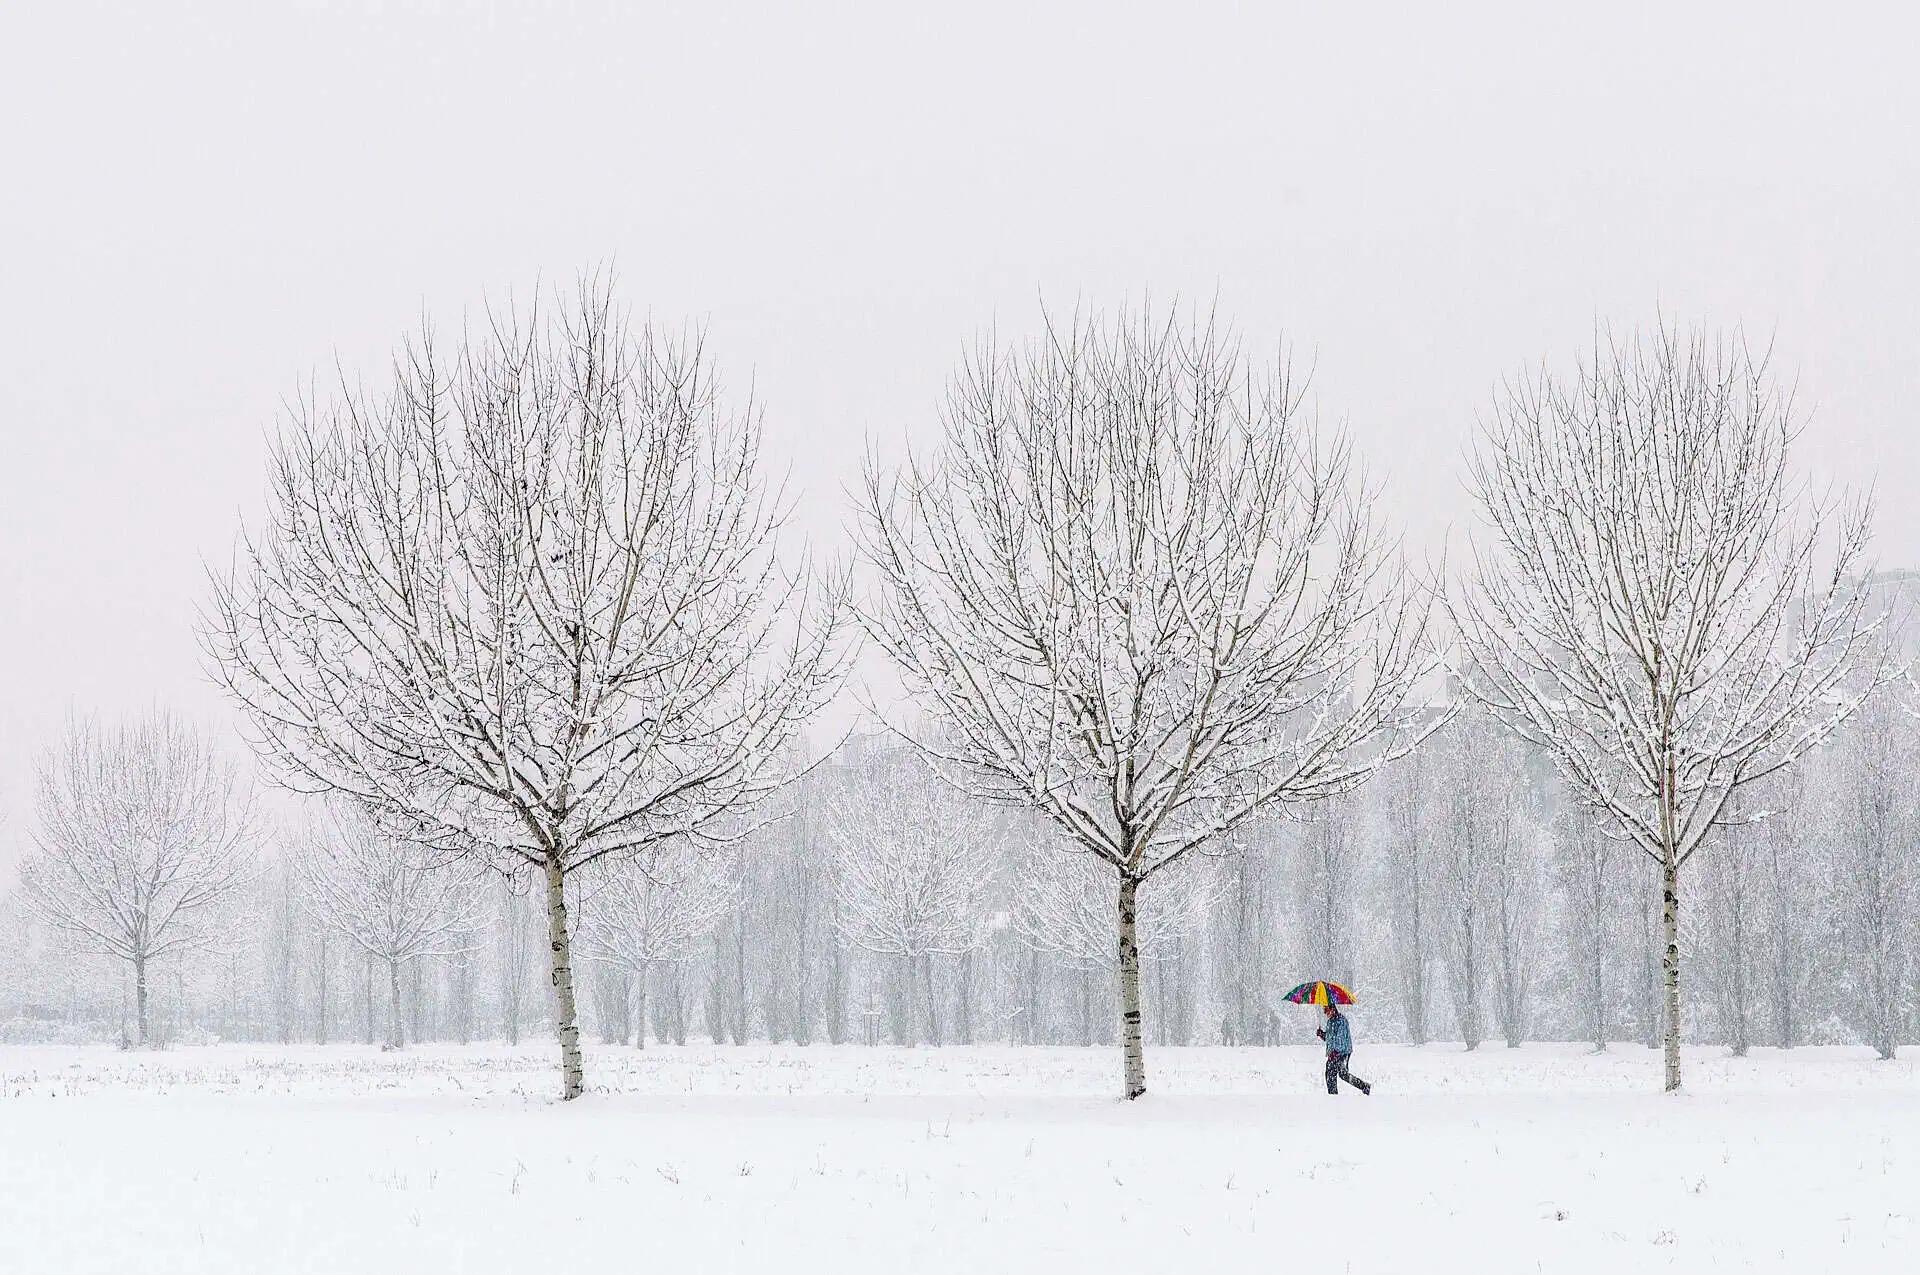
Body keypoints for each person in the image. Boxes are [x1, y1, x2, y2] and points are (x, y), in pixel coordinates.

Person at [1316, 1002, 1372, 1096]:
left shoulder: (1341, 1021)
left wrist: (1335, 1052)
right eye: (1324, 1010)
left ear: (1333, 1009)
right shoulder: (1330, 1022)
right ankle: (1363, 1086)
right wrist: (1322, 1034)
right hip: (1333, 1053)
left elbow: (1341, 1039)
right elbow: (1330, 1038)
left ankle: (1334, 1097)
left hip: (1343, 1052)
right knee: (1337, 1074)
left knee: (1337, 1073)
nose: (1325, 1013)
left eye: (1326, 1010)